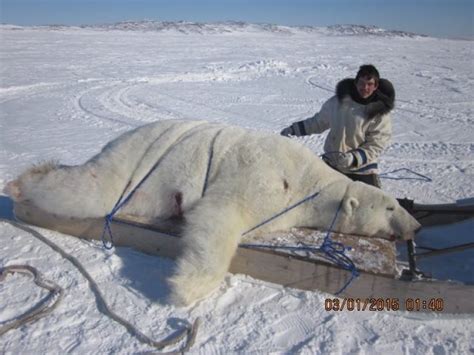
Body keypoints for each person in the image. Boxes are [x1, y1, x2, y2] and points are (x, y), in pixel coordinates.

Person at [280, 64, 395, 188]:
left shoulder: (380, 113)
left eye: (369, 84)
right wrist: (294, 130)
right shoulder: (337, 102)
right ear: (356, 83)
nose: (365, 87)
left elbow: (376, 144)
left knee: (371, 204)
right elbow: (318, 122)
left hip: (361, 170)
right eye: (361, 83)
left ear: (375, 86)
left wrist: (354, 158)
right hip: (332, 165)